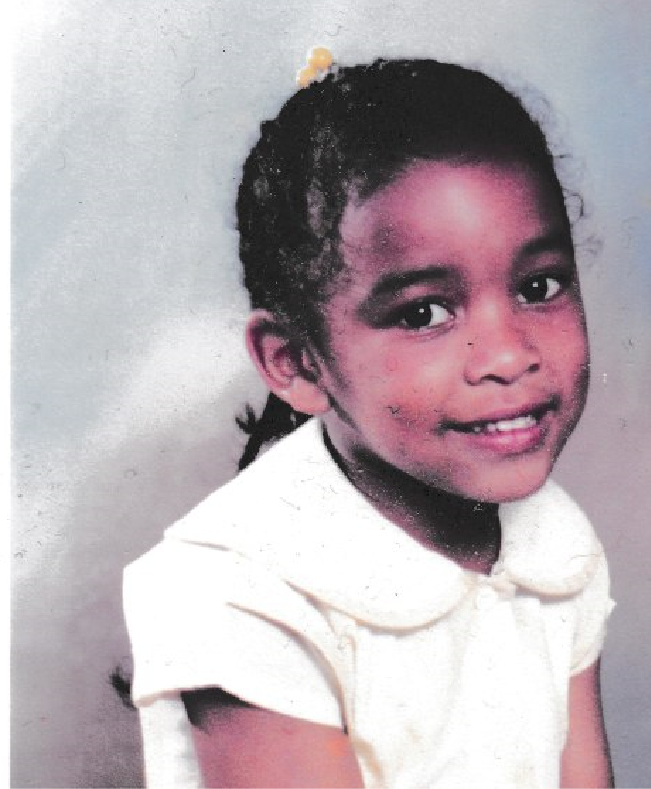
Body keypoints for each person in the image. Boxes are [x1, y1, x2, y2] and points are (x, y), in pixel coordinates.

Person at [123, 54, 615, 789]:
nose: (509, 354)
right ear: (297, 362)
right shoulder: (243, 590)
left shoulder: (552, 538)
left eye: (538, 286)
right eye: (424, 313)